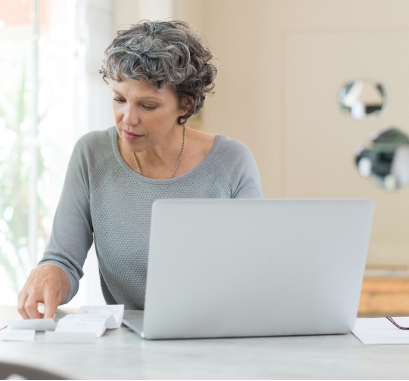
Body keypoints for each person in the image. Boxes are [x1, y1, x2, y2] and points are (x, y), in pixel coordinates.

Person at [17, 20, 263, 319]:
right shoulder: (92, 154)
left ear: (185, 105)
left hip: (217, 335)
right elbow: (63, 260)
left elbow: (253, 271)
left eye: (147, 106)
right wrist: (50, 272)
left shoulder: (231, 161)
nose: (128, 119)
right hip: (128, 344)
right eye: (119, 99)